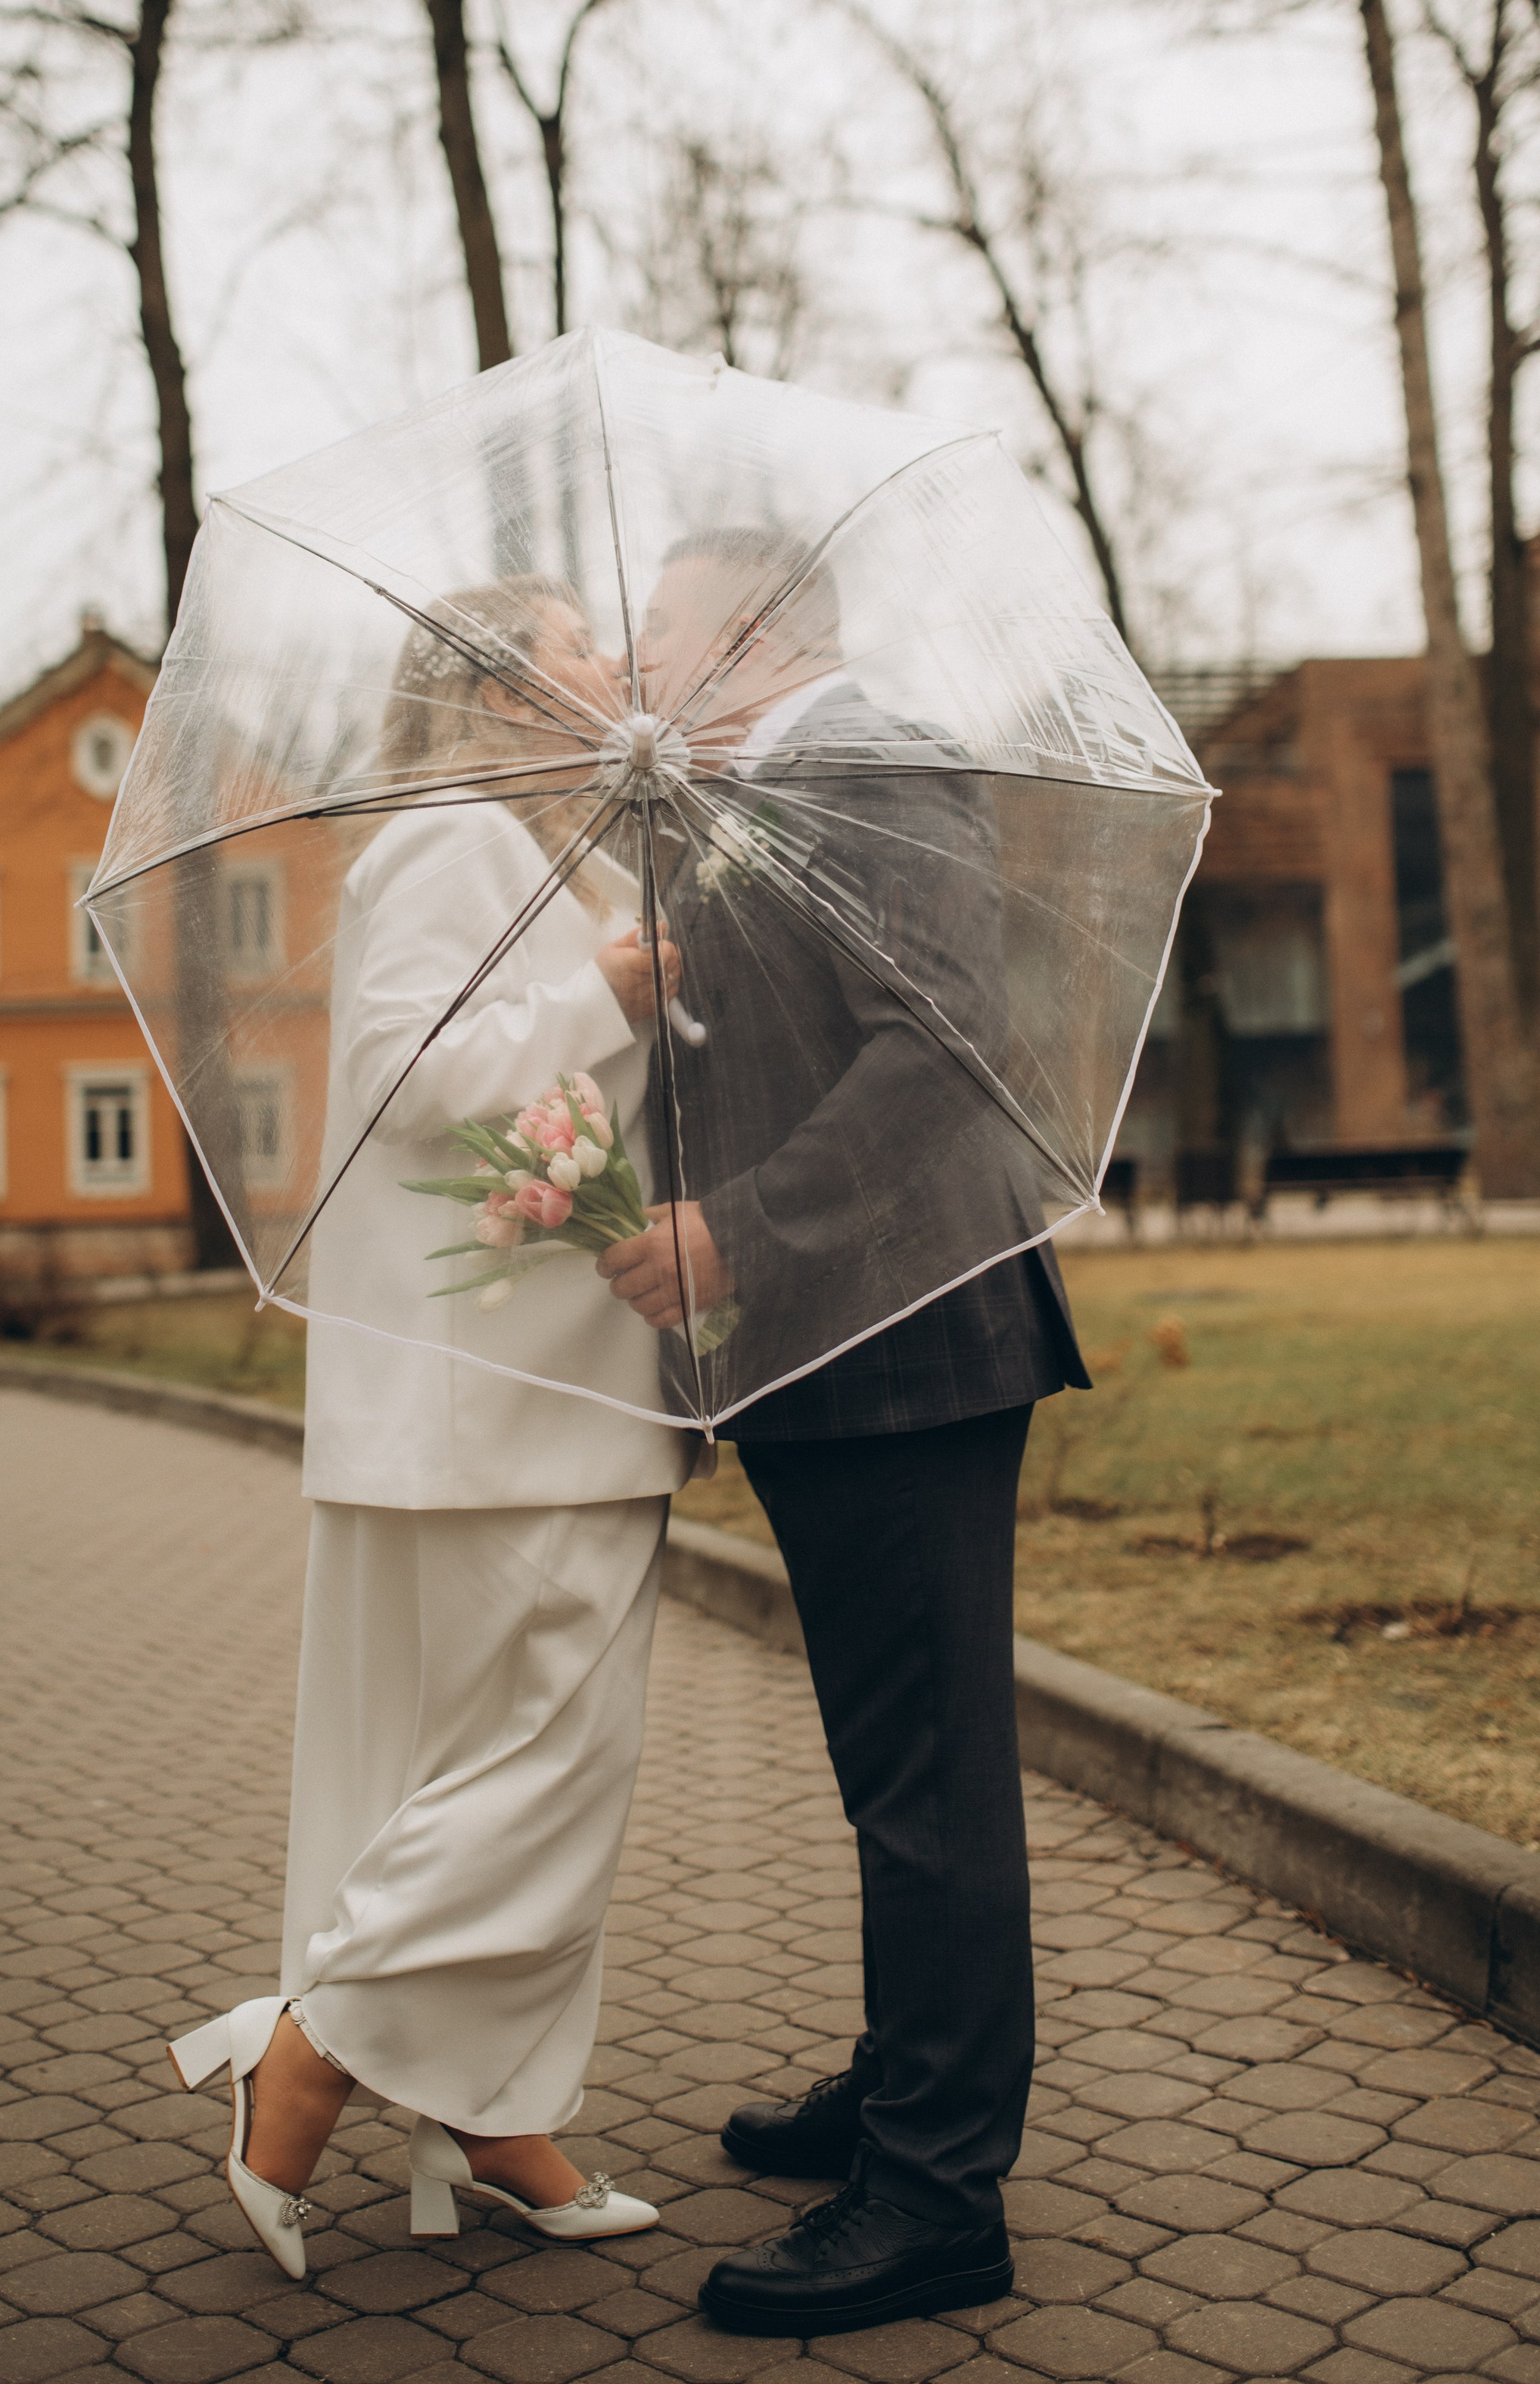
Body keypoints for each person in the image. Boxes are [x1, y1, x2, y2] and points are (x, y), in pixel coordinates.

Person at [166, 577, 694, 2281]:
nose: (616, 663)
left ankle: (483, 2109)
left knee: (481, 1767)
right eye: (579, 645)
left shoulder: (547, 850)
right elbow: (403, 1070)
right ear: (497, 692)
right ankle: (309, 2053)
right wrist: (603, 994)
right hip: (503, 1405)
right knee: (543, 1765)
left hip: (540, 1386)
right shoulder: (451, 836)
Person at [599, 526, 1090, 2339]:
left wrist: (736, 1225)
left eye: (659, 620)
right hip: (835, 1347)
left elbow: (942, 1040)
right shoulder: (756, 790)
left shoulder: (865, 755)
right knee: (890, 1756)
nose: (642, 651)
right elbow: (800, 1035)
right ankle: (903, 2081)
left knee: (932, 1770)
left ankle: (938, 2190)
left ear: (747, 631)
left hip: (910, 1337)